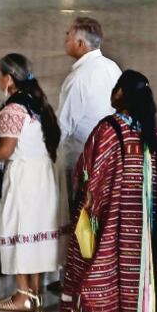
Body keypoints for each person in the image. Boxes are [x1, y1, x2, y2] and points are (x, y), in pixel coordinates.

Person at [60, 71, 157, 312]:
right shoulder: (154, 135)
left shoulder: (109, 129)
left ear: (121, 94)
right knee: (136, 277)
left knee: (105, 274)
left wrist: (87, 204)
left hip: (111, 221)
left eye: (115, 89)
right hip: (145, 225)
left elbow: (88, 173)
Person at [0, 54, 62, 312]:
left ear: (9, 78)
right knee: (35, 231)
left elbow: (5, 151)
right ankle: (35, 291)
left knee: (18, 228)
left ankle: (21, 294)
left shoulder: (12, 109)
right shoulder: (37, 104)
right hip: (43, 174)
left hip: (24, 177)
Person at [56, 17, 122, 209]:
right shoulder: (113, 68)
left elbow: (63, 126)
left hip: (80, 160)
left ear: (80, 43)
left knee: (78, 218)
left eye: (68, 35)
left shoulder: (78, 78)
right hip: (109, 157)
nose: (65, 39)